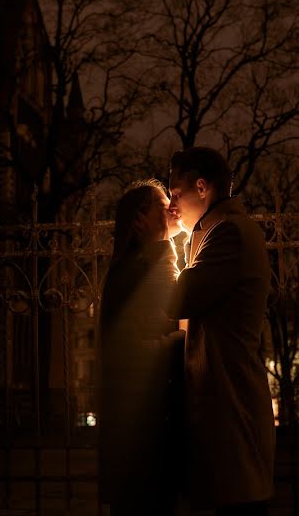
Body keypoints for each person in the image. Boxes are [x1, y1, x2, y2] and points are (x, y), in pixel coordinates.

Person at [168, 147, 274, 516]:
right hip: (222, 402)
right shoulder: (216, 231)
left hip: (231, 404)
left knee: (237, 502)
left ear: (201, 186)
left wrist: (165, 240)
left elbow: (177, 299)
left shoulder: (228, 232)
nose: (171, 203)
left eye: (176, 192)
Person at [98, 179, 185, 515]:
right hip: (141, 437)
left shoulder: (152, 262)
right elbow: (130, 352)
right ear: (141, 219)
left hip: (148, 432)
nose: (174, 209)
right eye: (164, 205)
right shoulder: (136, 271)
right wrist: (183, 341)